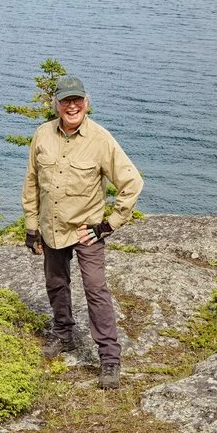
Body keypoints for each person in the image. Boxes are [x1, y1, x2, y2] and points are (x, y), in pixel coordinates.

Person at [21, 74, 143, 390]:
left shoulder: (101, 140)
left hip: (85, 230)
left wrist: (107, 225)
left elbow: (132, 183)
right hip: (51, 228)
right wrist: (31, 228)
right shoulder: (41, 135)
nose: (72, 105)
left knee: (96, 290)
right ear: (57, 104)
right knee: (56, 283)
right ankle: (64, 334)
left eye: (77, 100)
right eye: (66, 100)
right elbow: (32, 182)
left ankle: (110, 360)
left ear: (86, 103)